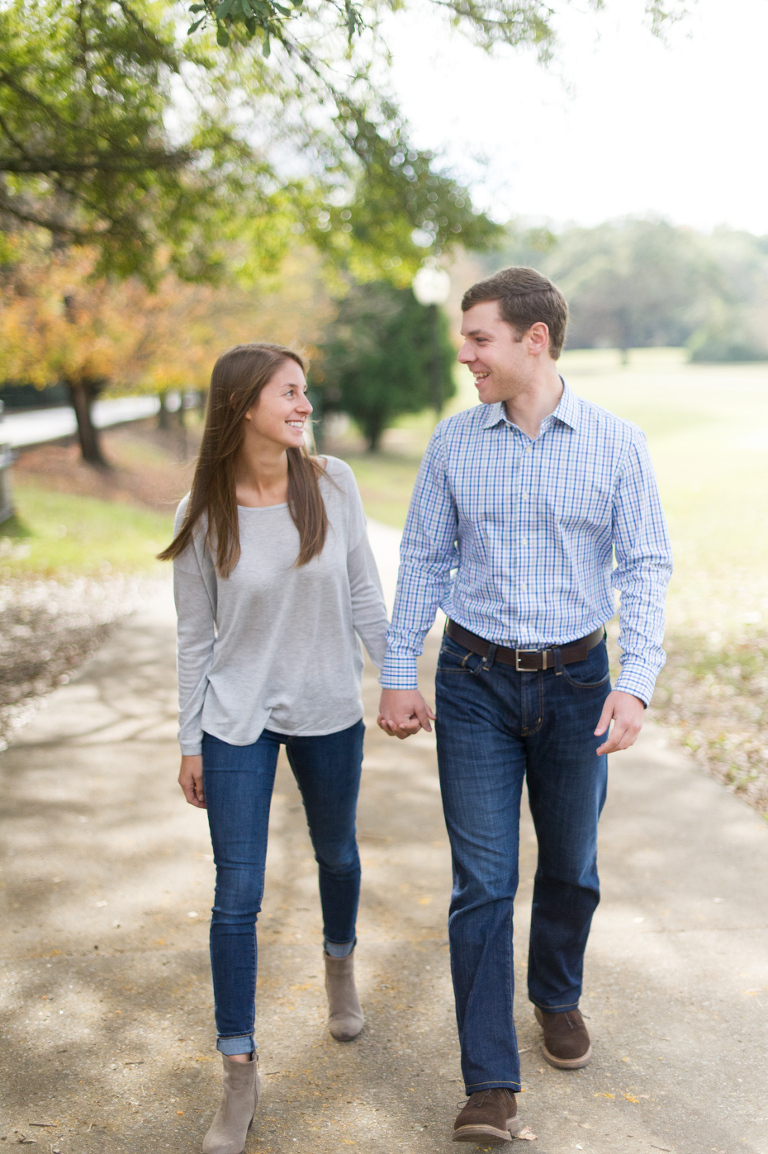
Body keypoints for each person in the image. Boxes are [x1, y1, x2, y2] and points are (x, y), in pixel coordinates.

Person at [377, 268, 672, 1144]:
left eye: (478, 339)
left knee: (572, 867)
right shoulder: (454, 444)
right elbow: (425, 558)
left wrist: (636, 680)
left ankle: (556, 993)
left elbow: (646, 566)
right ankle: (490, 1086)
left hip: (581, 683)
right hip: (472, 682)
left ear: (533, 340)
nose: (465, 355)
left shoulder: (617, 444)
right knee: (482, 884)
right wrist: (400, 669)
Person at [159, 342, 388, 1154]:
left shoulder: (331, 483)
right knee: (236, 892)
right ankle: (238, 1069)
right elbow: (195, 638)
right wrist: (190, 741)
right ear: (243, 406)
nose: (303, 405)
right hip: (236, 717)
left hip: (328, 702)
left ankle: (338, 964)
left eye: (304, 392)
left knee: (338, 856)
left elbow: (364, 587)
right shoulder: (202, 509)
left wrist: (397, 678)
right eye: (288, 393)